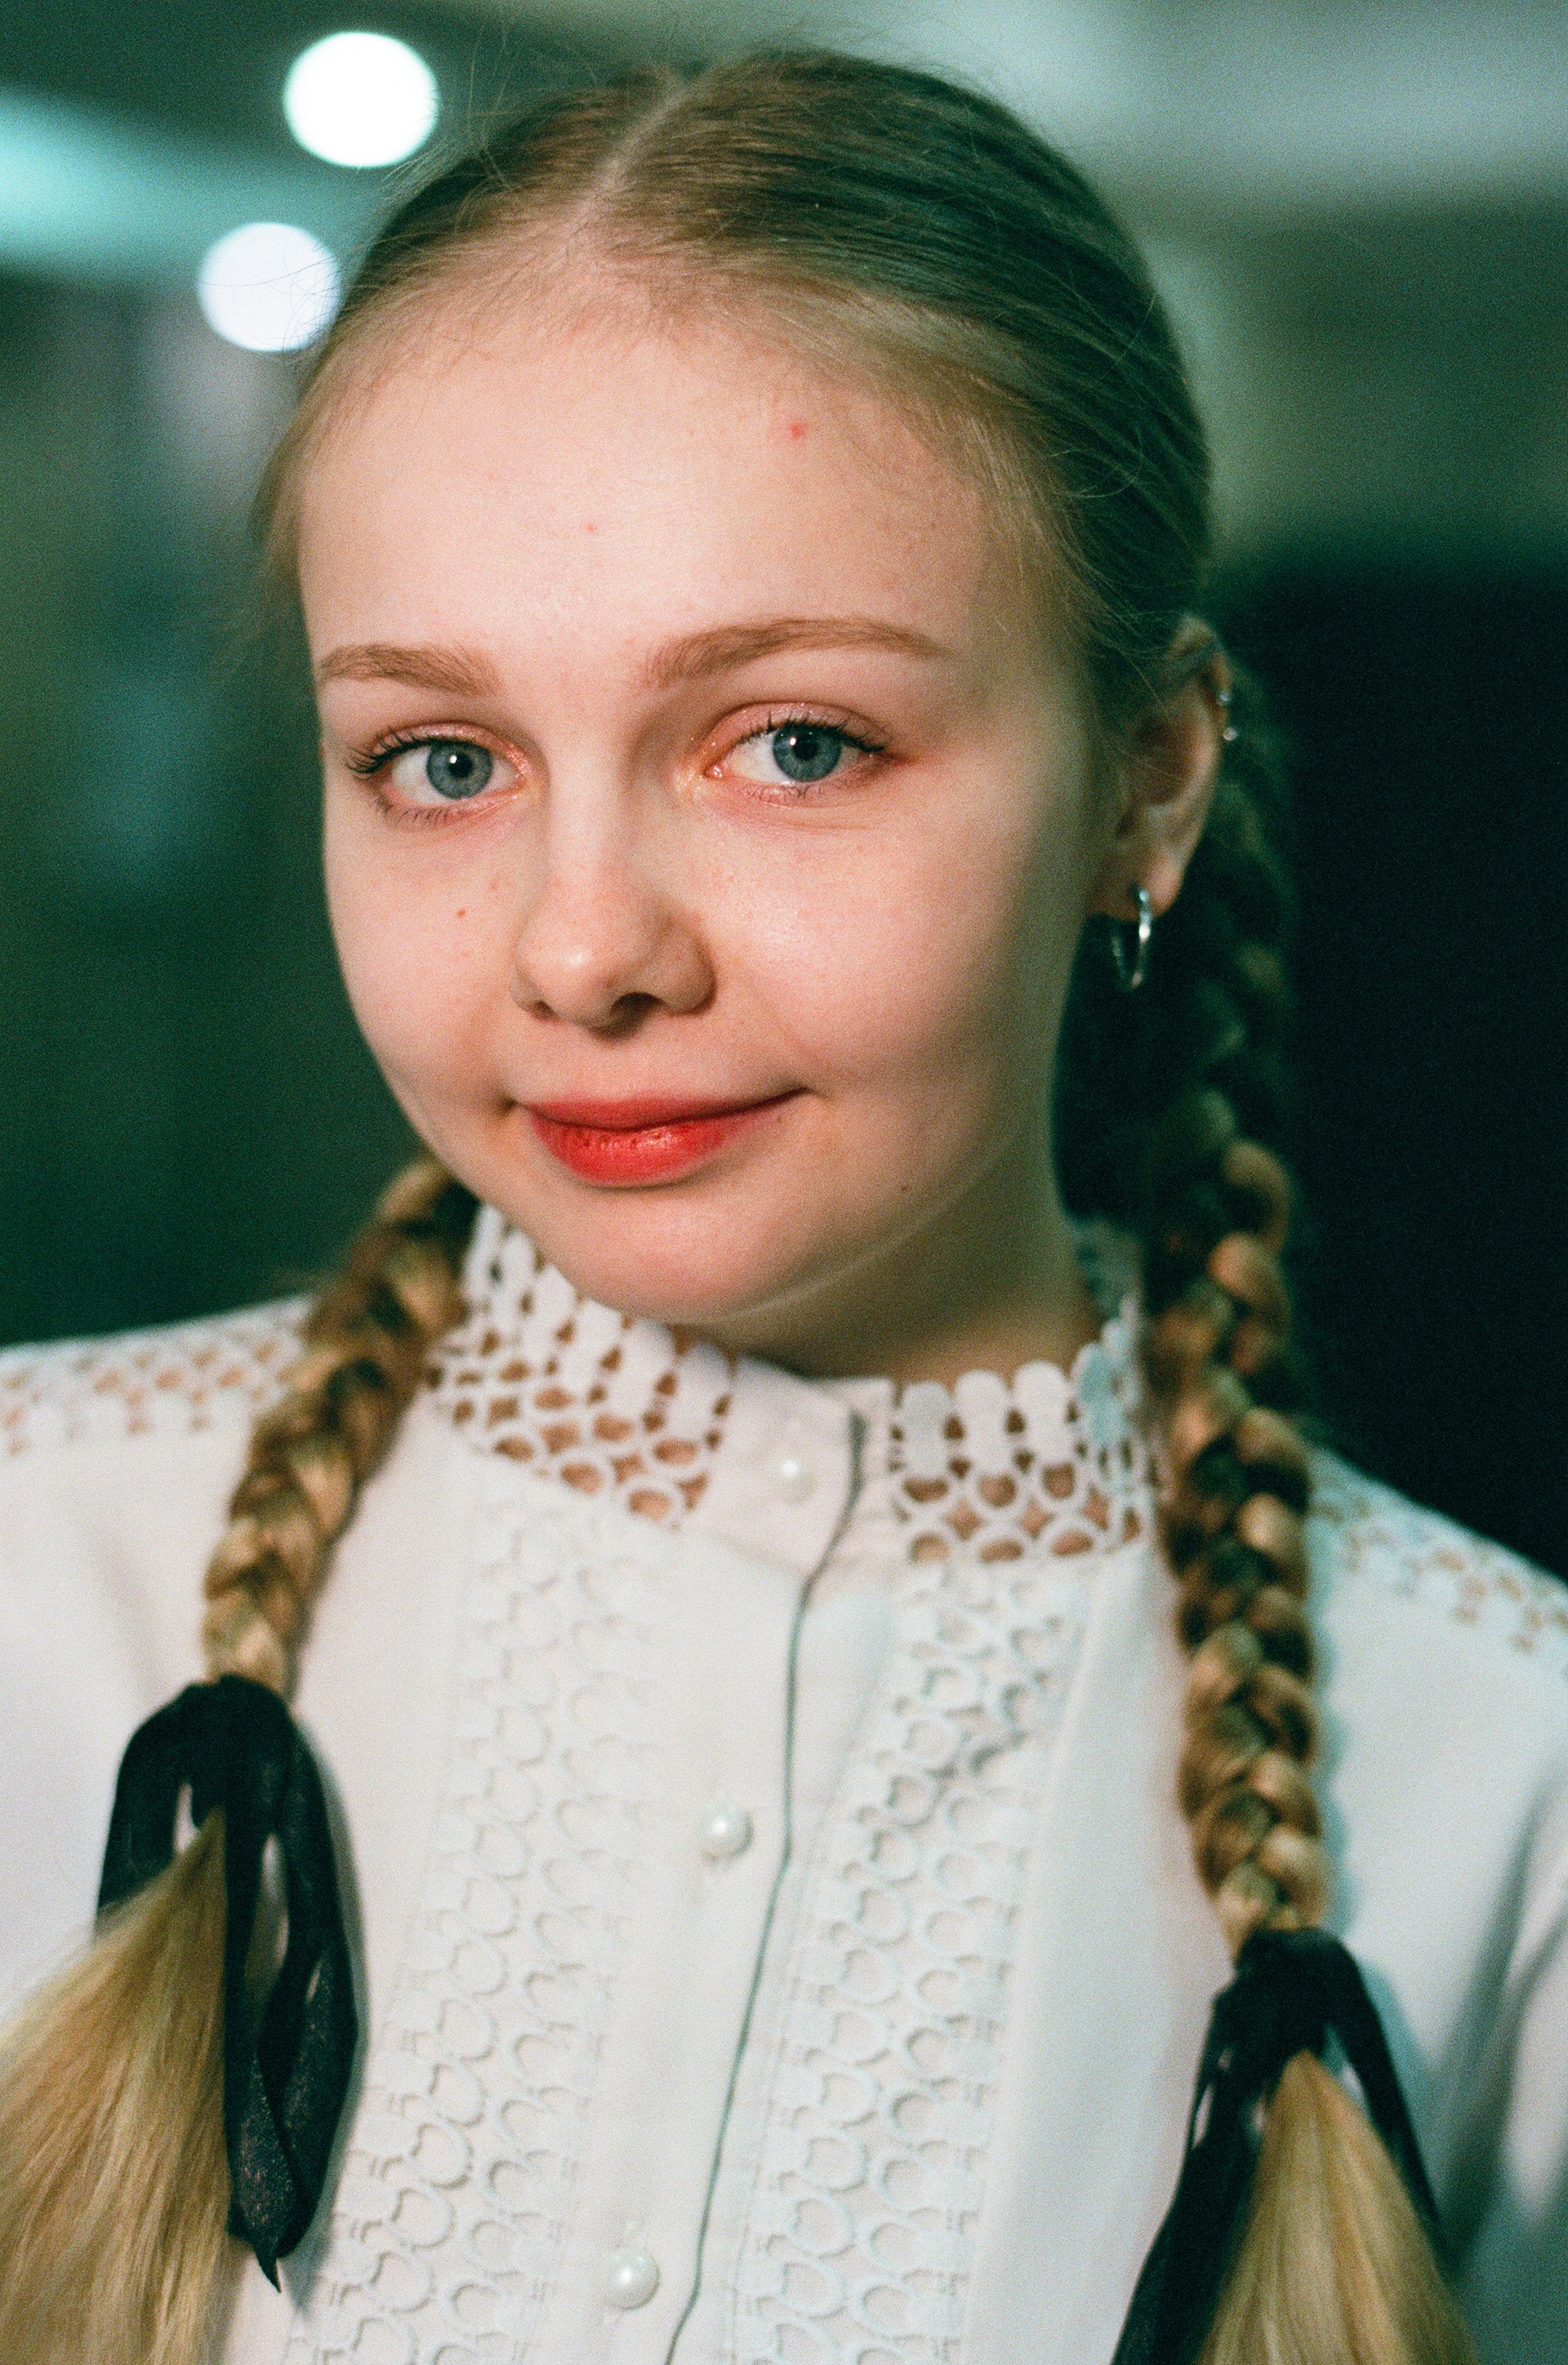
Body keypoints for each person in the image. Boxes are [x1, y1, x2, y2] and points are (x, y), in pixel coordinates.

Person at [0, 50, 1564, 2365]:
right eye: (443, 761)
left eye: (795, 745)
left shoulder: (1506, 1771)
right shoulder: (34, 1555)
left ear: (1146, 785)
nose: (582, 948)